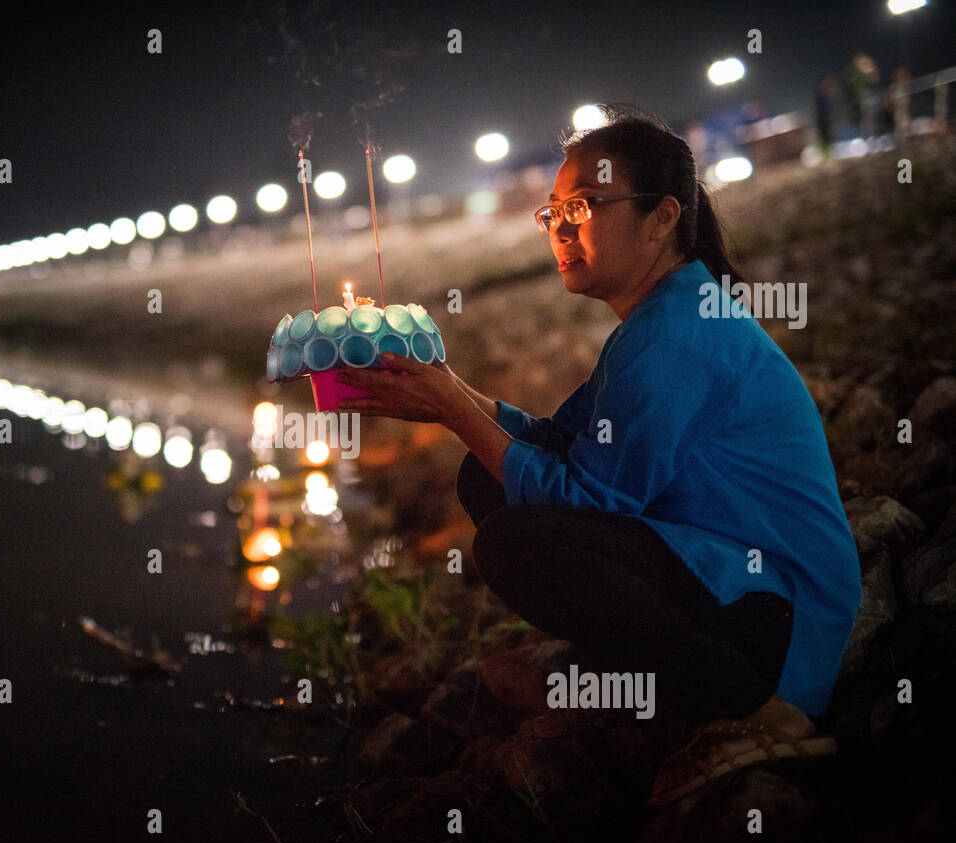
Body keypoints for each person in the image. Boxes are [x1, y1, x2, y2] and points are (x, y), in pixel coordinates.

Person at [334, 108, 862, 807]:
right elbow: (558, 440)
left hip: (779, 618)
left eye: (580, 207)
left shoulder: (680, 332)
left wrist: (454, 412)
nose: (558, 227)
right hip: (718, 566)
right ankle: (664, 680)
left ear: (660, 217)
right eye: (551, 212)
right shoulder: (661, 316)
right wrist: (448, 389)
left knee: (517, 541)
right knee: (487, 474)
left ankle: (770, 713)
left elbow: (588, 501)